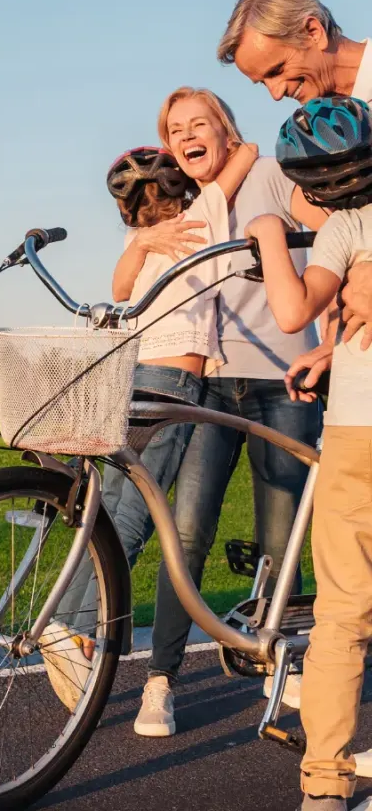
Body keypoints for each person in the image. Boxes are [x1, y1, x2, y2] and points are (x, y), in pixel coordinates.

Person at [133, 87, 328, 739]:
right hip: (213, 388)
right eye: (175, 128)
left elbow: (328, 228)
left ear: (225, 129)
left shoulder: (271, 173)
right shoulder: (188, 209)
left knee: (281, 538)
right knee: (185, 535)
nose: (188, 135)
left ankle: (281, 656)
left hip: (283, 381)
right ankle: (159, 682)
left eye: (200, 123)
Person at [45, 142, 256, 711]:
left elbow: (118, 291)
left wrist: (141, 242)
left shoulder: (136, 240)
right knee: (137, 517)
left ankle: (68, 625)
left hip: (133, 375)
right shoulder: (202, 216)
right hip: (172, 382)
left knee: (111, 509)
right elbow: (248, 154)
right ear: (179, 190)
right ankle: (74, 628)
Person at [244, 95, 372, 811]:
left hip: (358, 432)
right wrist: (332, 348)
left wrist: (268, 232)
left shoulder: (346, 228)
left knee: (343, 615)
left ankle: (325, 783)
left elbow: (291, 309)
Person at [218, 0, 372, 378]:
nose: (274, 93)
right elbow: (346, 240)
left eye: (277, 70)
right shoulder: (319, 135)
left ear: (313, 31)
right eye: (261, 82)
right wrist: (331, 345)